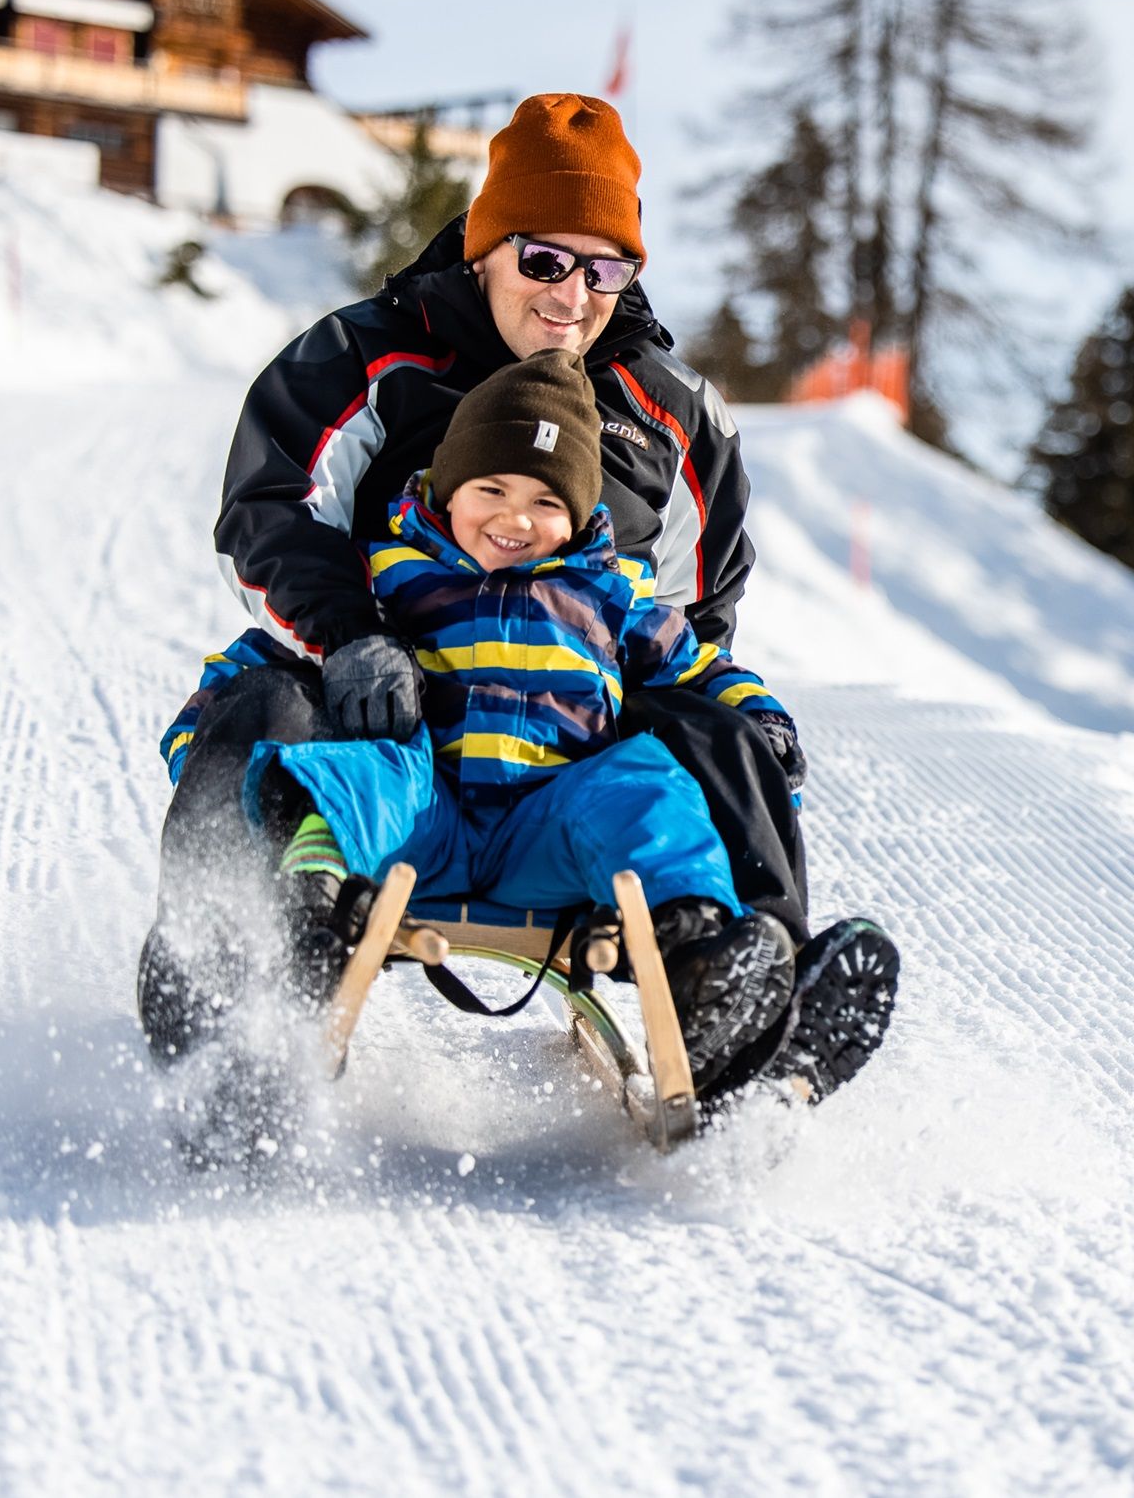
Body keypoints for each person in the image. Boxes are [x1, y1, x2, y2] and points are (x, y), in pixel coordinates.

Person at [140, 92, 897, 1106]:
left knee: (715, 735)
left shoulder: (666, 415)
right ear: (486, 250)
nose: (572, 294)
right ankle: (222, 982)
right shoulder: (370, 357)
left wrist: (687, 706)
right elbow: (270, 507)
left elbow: (696, 604)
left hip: (559, 763)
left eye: (605, 267)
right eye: (544, 260)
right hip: (387, 721)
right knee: (266, 711)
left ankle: (745, 1011)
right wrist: (356, 640)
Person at [158, 352, 823, 1097]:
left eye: (547, 502)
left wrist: (759, 716)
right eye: (492, 489)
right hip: (422, 820)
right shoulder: (389, 576)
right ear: (447, 489)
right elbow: (267, 655)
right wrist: (203, 733)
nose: (515, 518)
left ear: (579, 515)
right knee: (359, 772)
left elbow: (696, 669)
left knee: (642, 784)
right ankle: (305, 924)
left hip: (549, 832)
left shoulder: (612, 597)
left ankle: (700, 956)